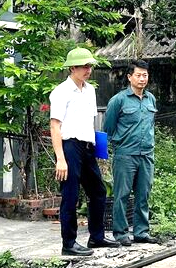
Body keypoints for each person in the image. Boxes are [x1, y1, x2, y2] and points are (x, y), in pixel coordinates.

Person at [50, 47, 120, 257]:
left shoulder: (89, 89)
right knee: (70, 195)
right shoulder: (61, 92)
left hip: (87, 146)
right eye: (84, 66)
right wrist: (60, 158)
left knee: (98, 191)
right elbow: (55, 126)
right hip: (69, 146)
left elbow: (90, 122)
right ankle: (68, 243)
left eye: (90, 66)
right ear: (73, 68)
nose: (88, 70)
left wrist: (98, 149)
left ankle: (96, 237)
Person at [102, 60, 159, 245]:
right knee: (122, 194)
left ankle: (141, 232)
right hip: (125, 154)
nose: (142, 79)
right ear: (129, 77)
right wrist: (107, 153)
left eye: (145, 75)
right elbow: (108, 128)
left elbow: (150, 125)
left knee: (143, 194)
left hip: (146, 154)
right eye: (138, 75)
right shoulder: (118, 100)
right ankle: (121, 233)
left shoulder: (151, 99)